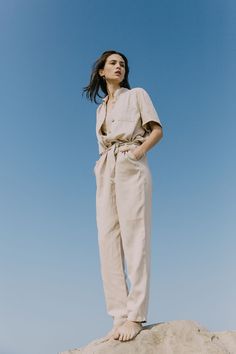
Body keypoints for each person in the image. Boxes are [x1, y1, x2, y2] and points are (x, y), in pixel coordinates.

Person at [83, 50, 163, 342]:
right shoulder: (100, 108)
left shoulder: (137, 94)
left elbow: (157, 130)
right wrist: (100, 167)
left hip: (131, 162)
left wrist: (138, 152)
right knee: (107, 239)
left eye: (122, 64)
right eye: (113, 63)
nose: (119, 67)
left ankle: (135, 315)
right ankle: (118, 314)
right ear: (101, 72)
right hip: (106, 167)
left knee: (135, 237)